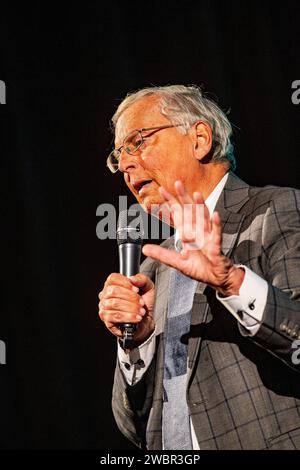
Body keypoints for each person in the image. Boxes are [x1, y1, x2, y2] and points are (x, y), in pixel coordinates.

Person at [99, 85, 300, 450]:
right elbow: (136, 428)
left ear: (200, 139)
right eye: (118, 155)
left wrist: (231, 281)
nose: (125, 165)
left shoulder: (279, 209)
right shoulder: (153, 268)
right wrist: (137, 343)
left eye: (138, 142)